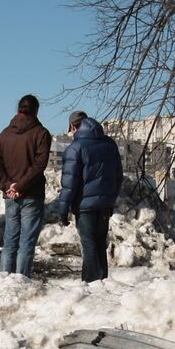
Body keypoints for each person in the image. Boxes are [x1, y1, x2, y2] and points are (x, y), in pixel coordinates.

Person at [0, 94, 53, 277]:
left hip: (10, 196)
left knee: (10, 241)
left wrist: (8, 186)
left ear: (18, 109)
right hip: (31, 195)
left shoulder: (3, 135)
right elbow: (39, 165)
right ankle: (20, 283)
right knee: (26, 243)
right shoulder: (41, 133)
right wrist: (20, 186)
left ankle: (3, 282)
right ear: (36, 111)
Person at [58, 111, 123, 282]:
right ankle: (101, 280)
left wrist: (63, 210)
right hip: (105, 205)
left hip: (84, 205)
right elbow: (118, 176)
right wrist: (111, 198)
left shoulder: (75, 148)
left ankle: (91, 282)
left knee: (89, 243)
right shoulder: (110, 145)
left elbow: (69, 183)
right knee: (100, 242)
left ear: (73, 126)